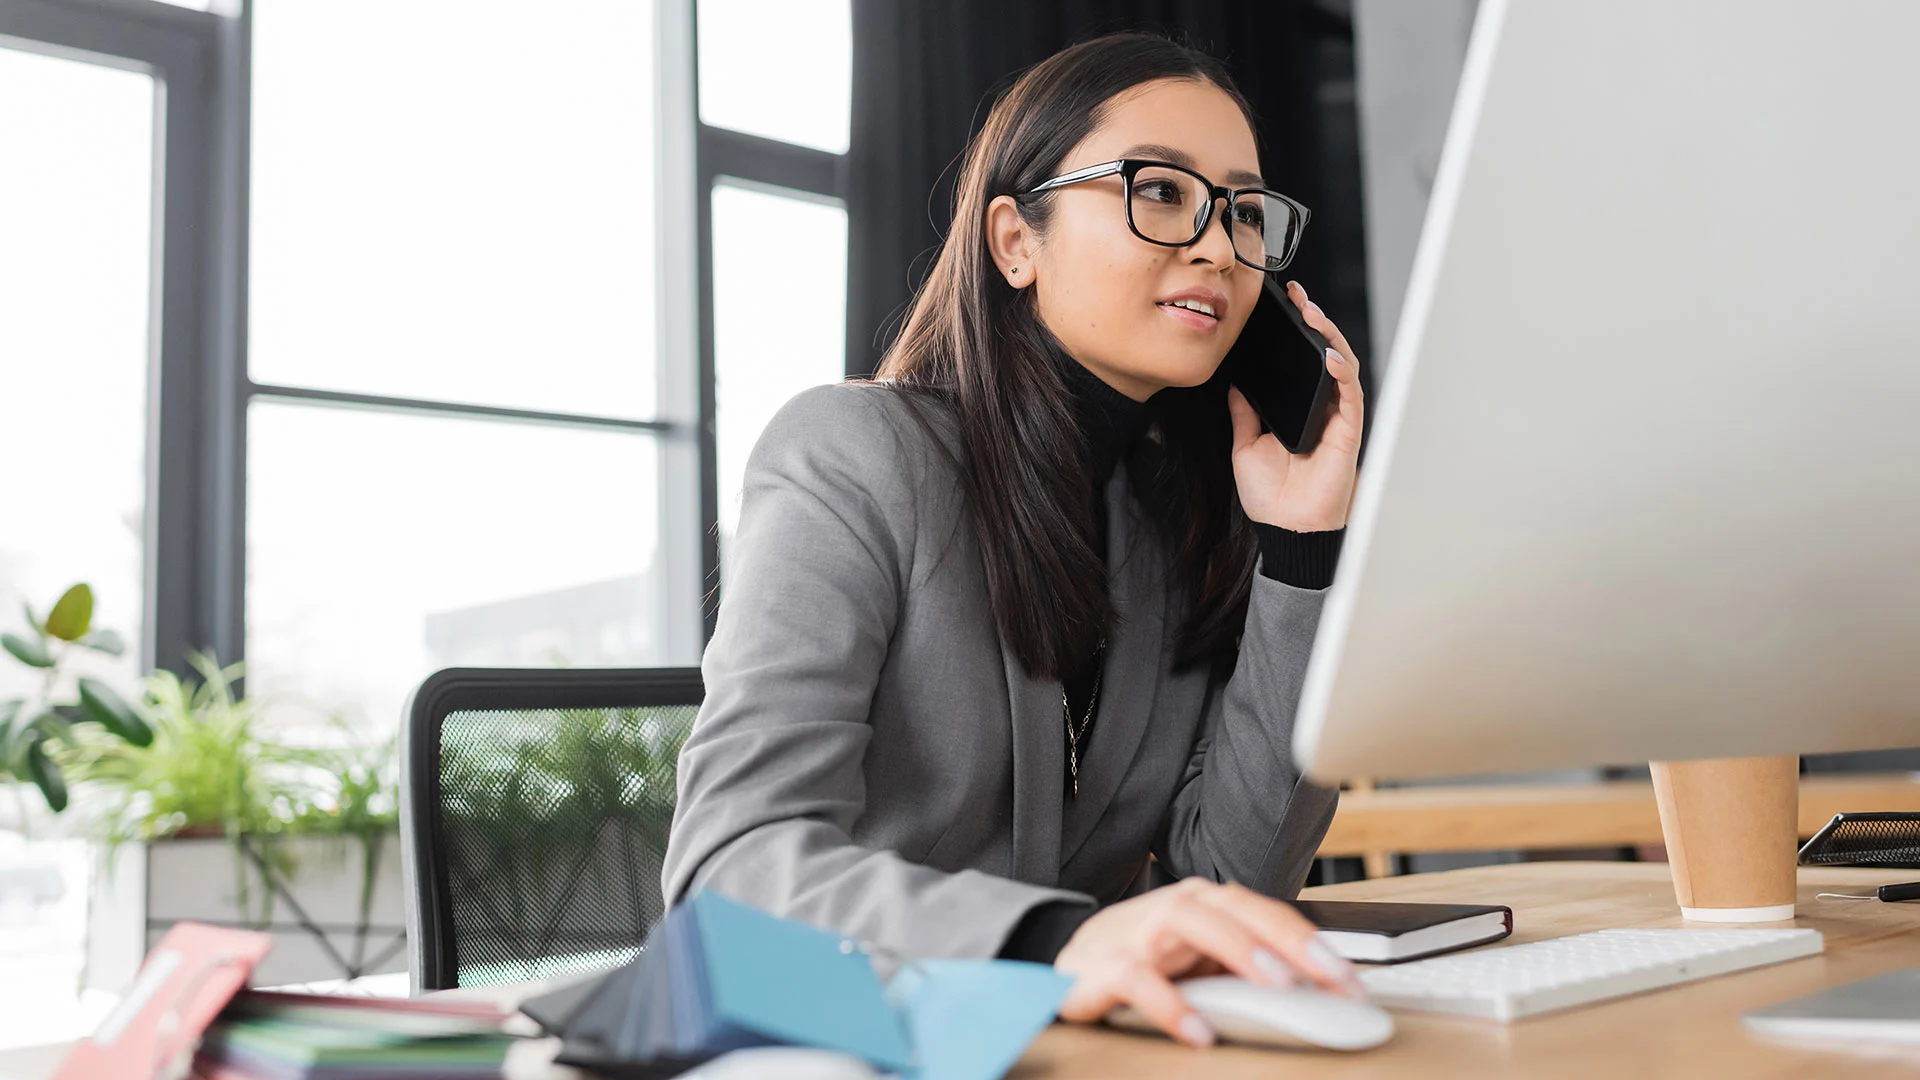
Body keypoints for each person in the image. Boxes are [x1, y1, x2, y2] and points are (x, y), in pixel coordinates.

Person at [662, 30, 1366, 1048]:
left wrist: (1302, 549)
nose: (1218, 246)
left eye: (1245, 211)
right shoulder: (850, 455)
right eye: (1161, 191)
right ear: (1014, 242)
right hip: (833, 1045)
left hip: (1054, 1056)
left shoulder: (1168, 519)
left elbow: (1234, 885)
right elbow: (726, 874)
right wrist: (1051, 943)